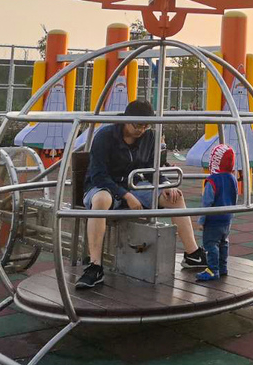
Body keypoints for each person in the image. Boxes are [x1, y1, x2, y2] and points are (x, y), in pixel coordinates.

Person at [75, 99, 206, 290]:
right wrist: (125, 195)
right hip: (103, 186)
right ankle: (95, 266)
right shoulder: (105, 136)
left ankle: (192, 253)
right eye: (138, 125)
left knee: (175, 198)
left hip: (134, 185)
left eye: (146, 126)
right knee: (101, 200)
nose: (142, 130)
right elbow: (98, 175)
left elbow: (153, 168)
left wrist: (165, 185)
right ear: (127, 120)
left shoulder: (149, 137)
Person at [196, 144, 238, 281]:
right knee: (223, 243)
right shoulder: (232, 178)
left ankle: (213, 270)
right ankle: (223, 267)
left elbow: (207, 203)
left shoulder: (212, 181)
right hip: (227, 219)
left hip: (213, 220)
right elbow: (235, 196)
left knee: (210, 244)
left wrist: (202, 220)